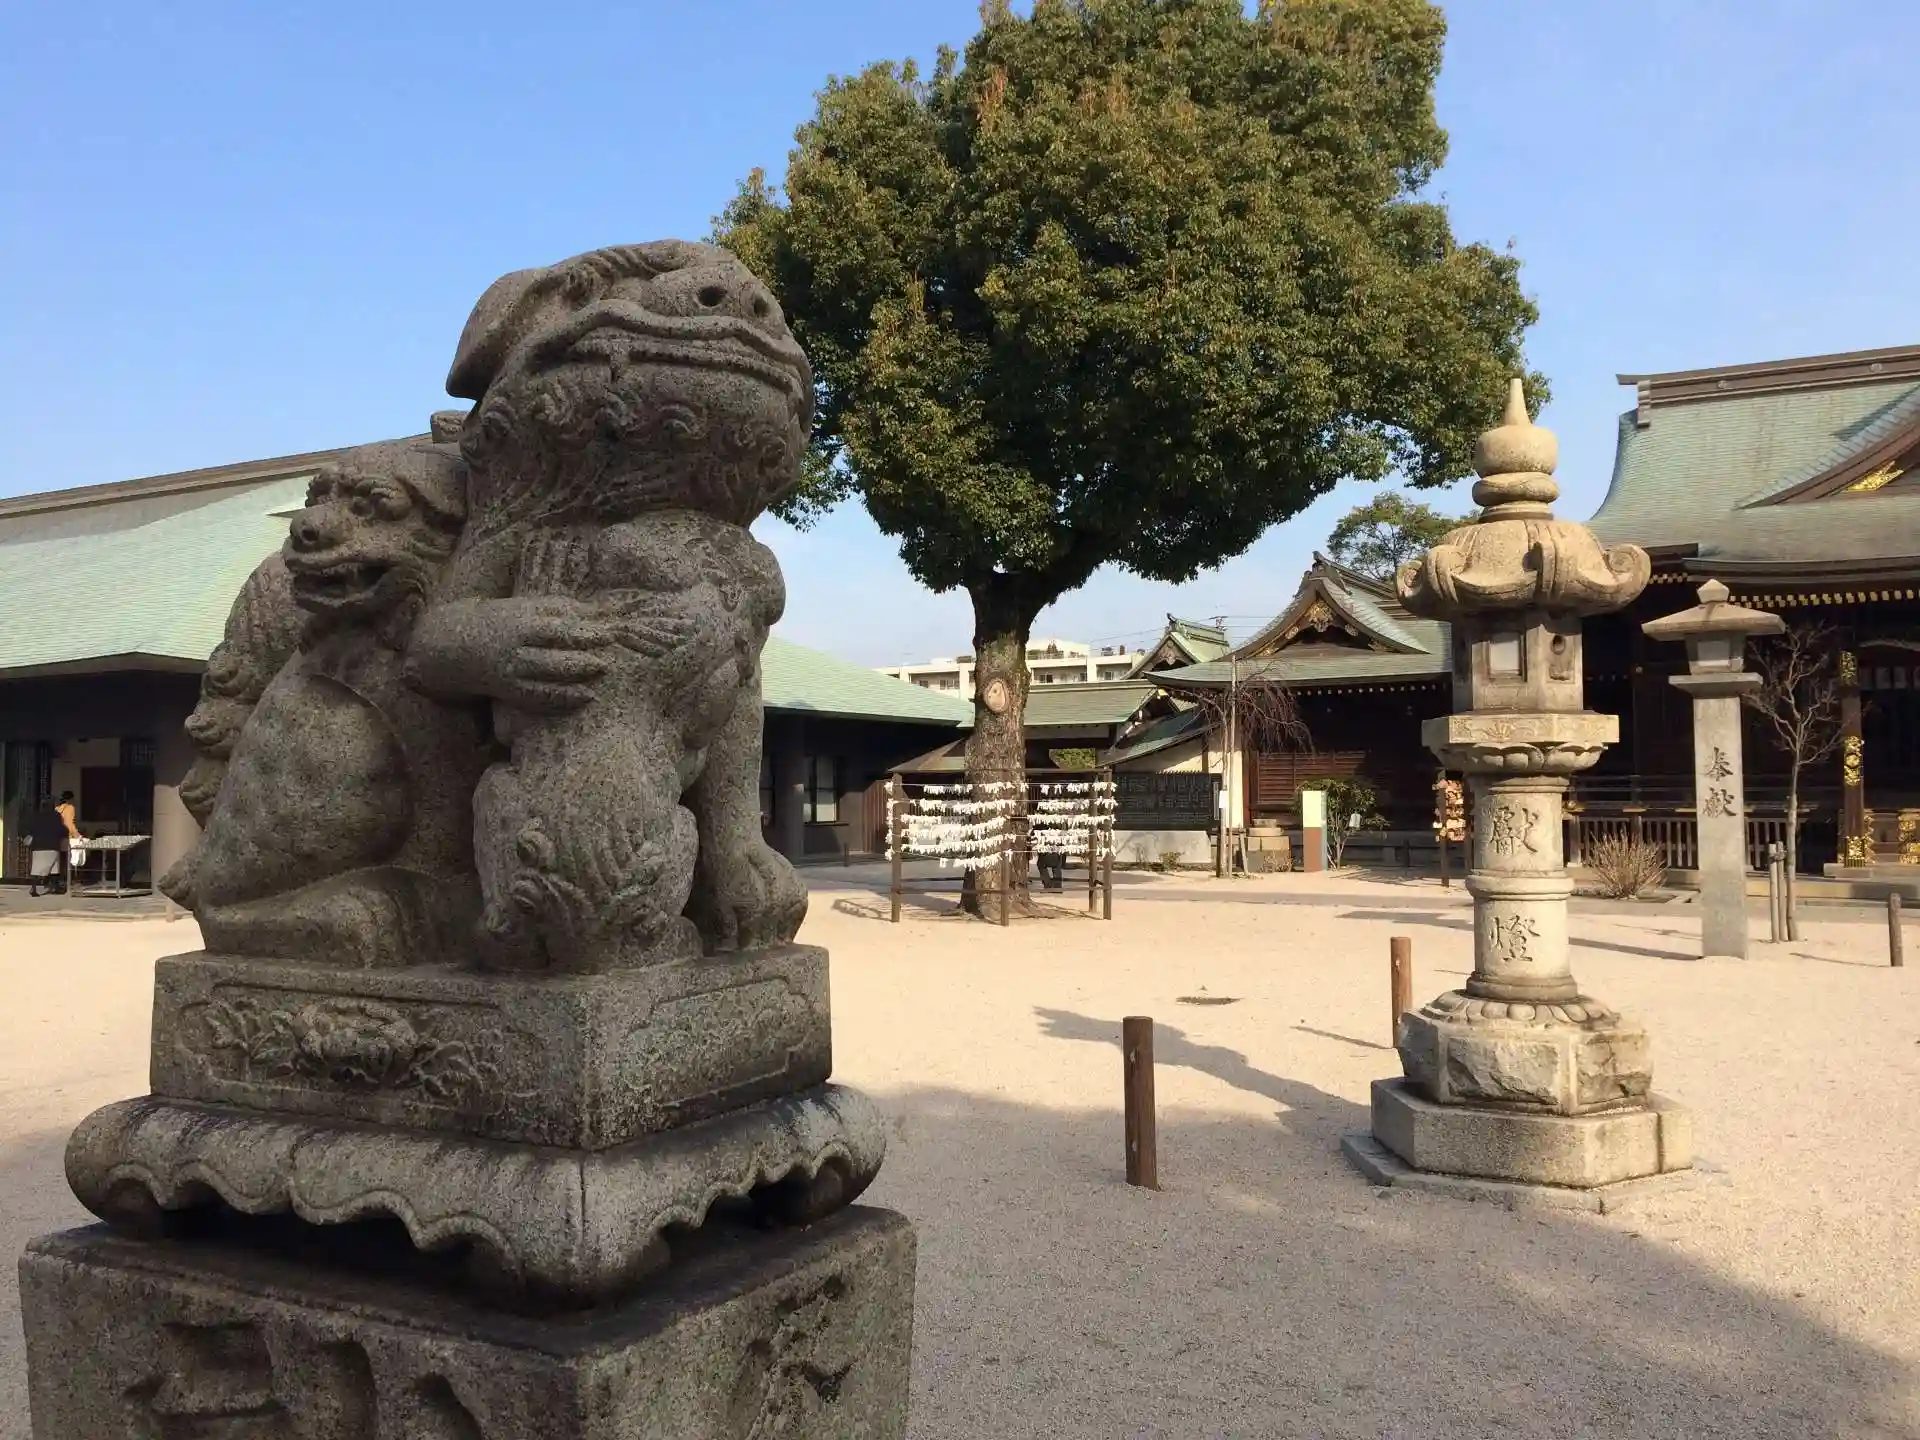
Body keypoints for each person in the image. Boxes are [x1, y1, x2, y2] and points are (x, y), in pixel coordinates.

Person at [27, 793, 76, 898]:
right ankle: (55, 887)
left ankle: (33, 888)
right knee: (55, 867)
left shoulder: (36, 816)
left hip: (37, 846)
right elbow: (62, 830)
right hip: (52, 846)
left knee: (36, 869)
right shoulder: (56, 816)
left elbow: (31, 830)